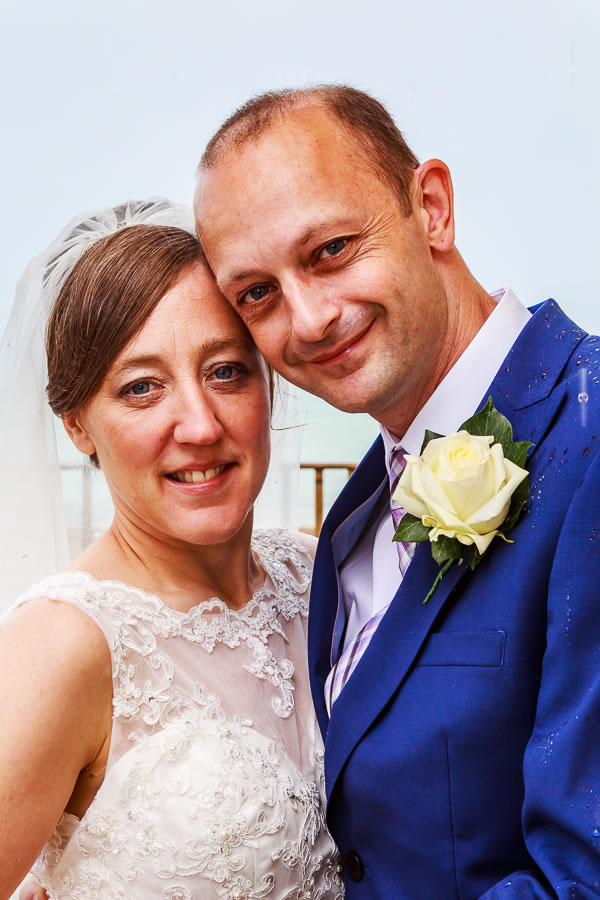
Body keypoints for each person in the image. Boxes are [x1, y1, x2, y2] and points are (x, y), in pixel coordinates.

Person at [192, 86, 600, 897]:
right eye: (258, 294)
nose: (309, 319)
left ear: (433, 209)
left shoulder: (588, 435)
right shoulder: (358, 512)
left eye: (331, 250)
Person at [0, 199, 344, 899]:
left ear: (268, 381)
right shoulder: (63, 646)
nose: (199, 424)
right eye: (142, 388)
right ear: (76, 424)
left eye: (226, 371)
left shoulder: (318, 574)